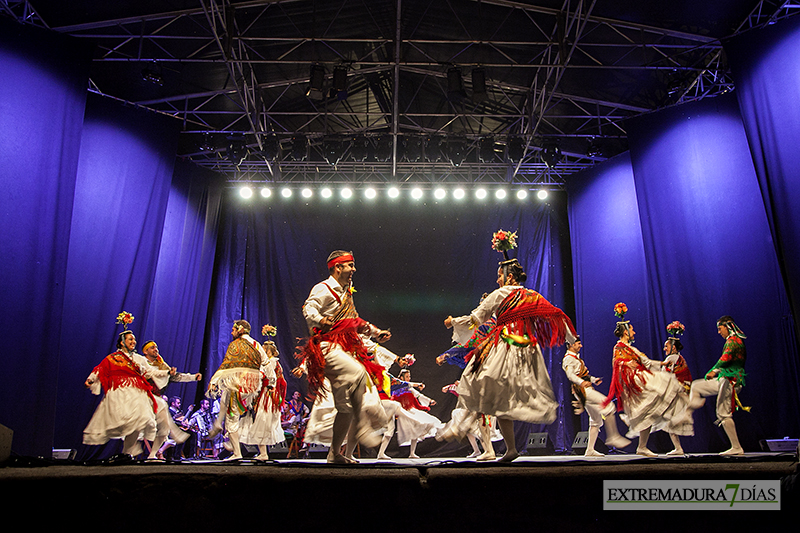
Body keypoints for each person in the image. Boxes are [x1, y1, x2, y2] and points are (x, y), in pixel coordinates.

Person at [443, 233, 577, 462]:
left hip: (506, 346)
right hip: (526, 352)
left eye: (499, 276)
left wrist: (453, 321)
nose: (497, 280)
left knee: (477, 378)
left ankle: (461, 424)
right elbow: (555, 315)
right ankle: (510, 449)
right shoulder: (532, 295)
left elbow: (476, 319)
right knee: (498, 398)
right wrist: (571, 338)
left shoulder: (501, 293)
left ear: (509, 276)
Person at [296, 250, 390, 463]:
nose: (353, 270)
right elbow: (308, 308)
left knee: (346, 408)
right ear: (338, 267)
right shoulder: (324, 288)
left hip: (344, 350)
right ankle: (363, 427)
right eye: (350, 265)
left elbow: (354, 321)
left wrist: (377, 333)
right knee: (358, 373)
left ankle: (336, 454)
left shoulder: (346, 294)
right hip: (327, 348)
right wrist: (321, 319)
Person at [604, 303, 693, 457]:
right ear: (625, 332)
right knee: (660, 389)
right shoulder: (619, 347)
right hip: (633, 382)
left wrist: (662, 363)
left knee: (650, 412)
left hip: (639, 378)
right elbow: (617, 363)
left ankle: (642, 445)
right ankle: (633, 420)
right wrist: (626, 363)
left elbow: (646, 362)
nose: (634, 332)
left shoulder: (632, 349)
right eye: (631, 329)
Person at [83, 329, 158, 459]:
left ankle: (127, 453)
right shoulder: (113, 358)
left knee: (141, 420)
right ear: (122, 343)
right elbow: (101, 368)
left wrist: (167, 373)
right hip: (121, 393)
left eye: (134, 339)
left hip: (136, 393)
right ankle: (128, 452)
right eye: (130, 339)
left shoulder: (139, 358)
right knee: (125, 421)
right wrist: (91, 379)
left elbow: (151, 371)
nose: (133, 341)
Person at [206, 320, 273, 460]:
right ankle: (262, 453)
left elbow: (226, 366)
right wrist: (271, 383)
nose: (231, 332)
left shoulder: (235, 345)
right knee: (247, 414)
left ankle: (236, 452)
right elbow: (267, 364)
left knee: (231, 416)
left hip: (240, 382)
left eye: (233, 329)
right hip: (254, 385)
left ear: (240, 329)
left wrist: (213, 381)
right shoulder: (256, 344)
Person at [687, 316, 748, 456]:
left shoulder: (734, 341)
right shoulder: (731, 341)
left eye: (720, 329)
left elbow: (725, 359)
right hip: (724, 379)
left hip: (731, 381)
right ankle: (691, 407)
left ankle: (737, 447)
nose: (719, 332)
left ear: (728, 326)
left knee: (723, 412)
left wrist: (713, 371)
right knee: (697, 386)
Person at [561, 336, 630, 456]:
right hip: (582, 390)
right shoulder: (568, 359)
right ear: (571, 345)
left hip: (584, 388)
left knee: (595, 421)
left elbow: (583, 374)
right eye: (578, 344)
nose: (580, 346)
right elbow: (570, 375)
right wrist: (582, 382)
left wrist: (593, 380)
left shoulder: (575, 359)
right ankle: (613, 436)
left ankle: (590, 450)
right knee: (607, 405)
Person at [240, 340, 287, 460]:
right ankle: (263, 453)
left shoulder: (270, 362)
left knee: (261, 421)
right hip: (268, 395)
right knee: (260, 421)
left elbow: (263, 376)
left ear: (267, 351)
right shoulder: (275, 362)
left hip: (267, 396)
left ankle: (263, 453)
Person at [389, 369, 444, 459]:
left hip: (411, 410)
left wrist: (429, 400)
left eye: (409, 377)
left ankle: (412, 453)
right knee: (415, 427)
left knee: (424, 424)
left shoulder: (409, 388)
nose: (409, 378)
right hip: (403, 413)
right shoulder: (397, 387)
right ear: (401, 377)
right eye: (407, 377)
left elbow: (418, 395)